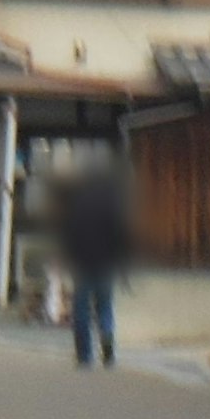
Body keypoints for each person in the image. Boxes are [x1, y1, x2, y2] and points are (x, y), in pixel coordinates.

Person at [59, 157, 133, 368]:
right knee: (105, 306)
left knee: (81, 309)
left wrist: (68, 257)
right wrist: (123, 266)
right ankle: (107, 339)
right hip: (105, 263)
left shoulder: (78, 201)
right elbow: (120, 236)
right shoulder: (112, 202)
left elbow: (69, 233)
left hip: (82, 263)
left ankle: (84, 356)